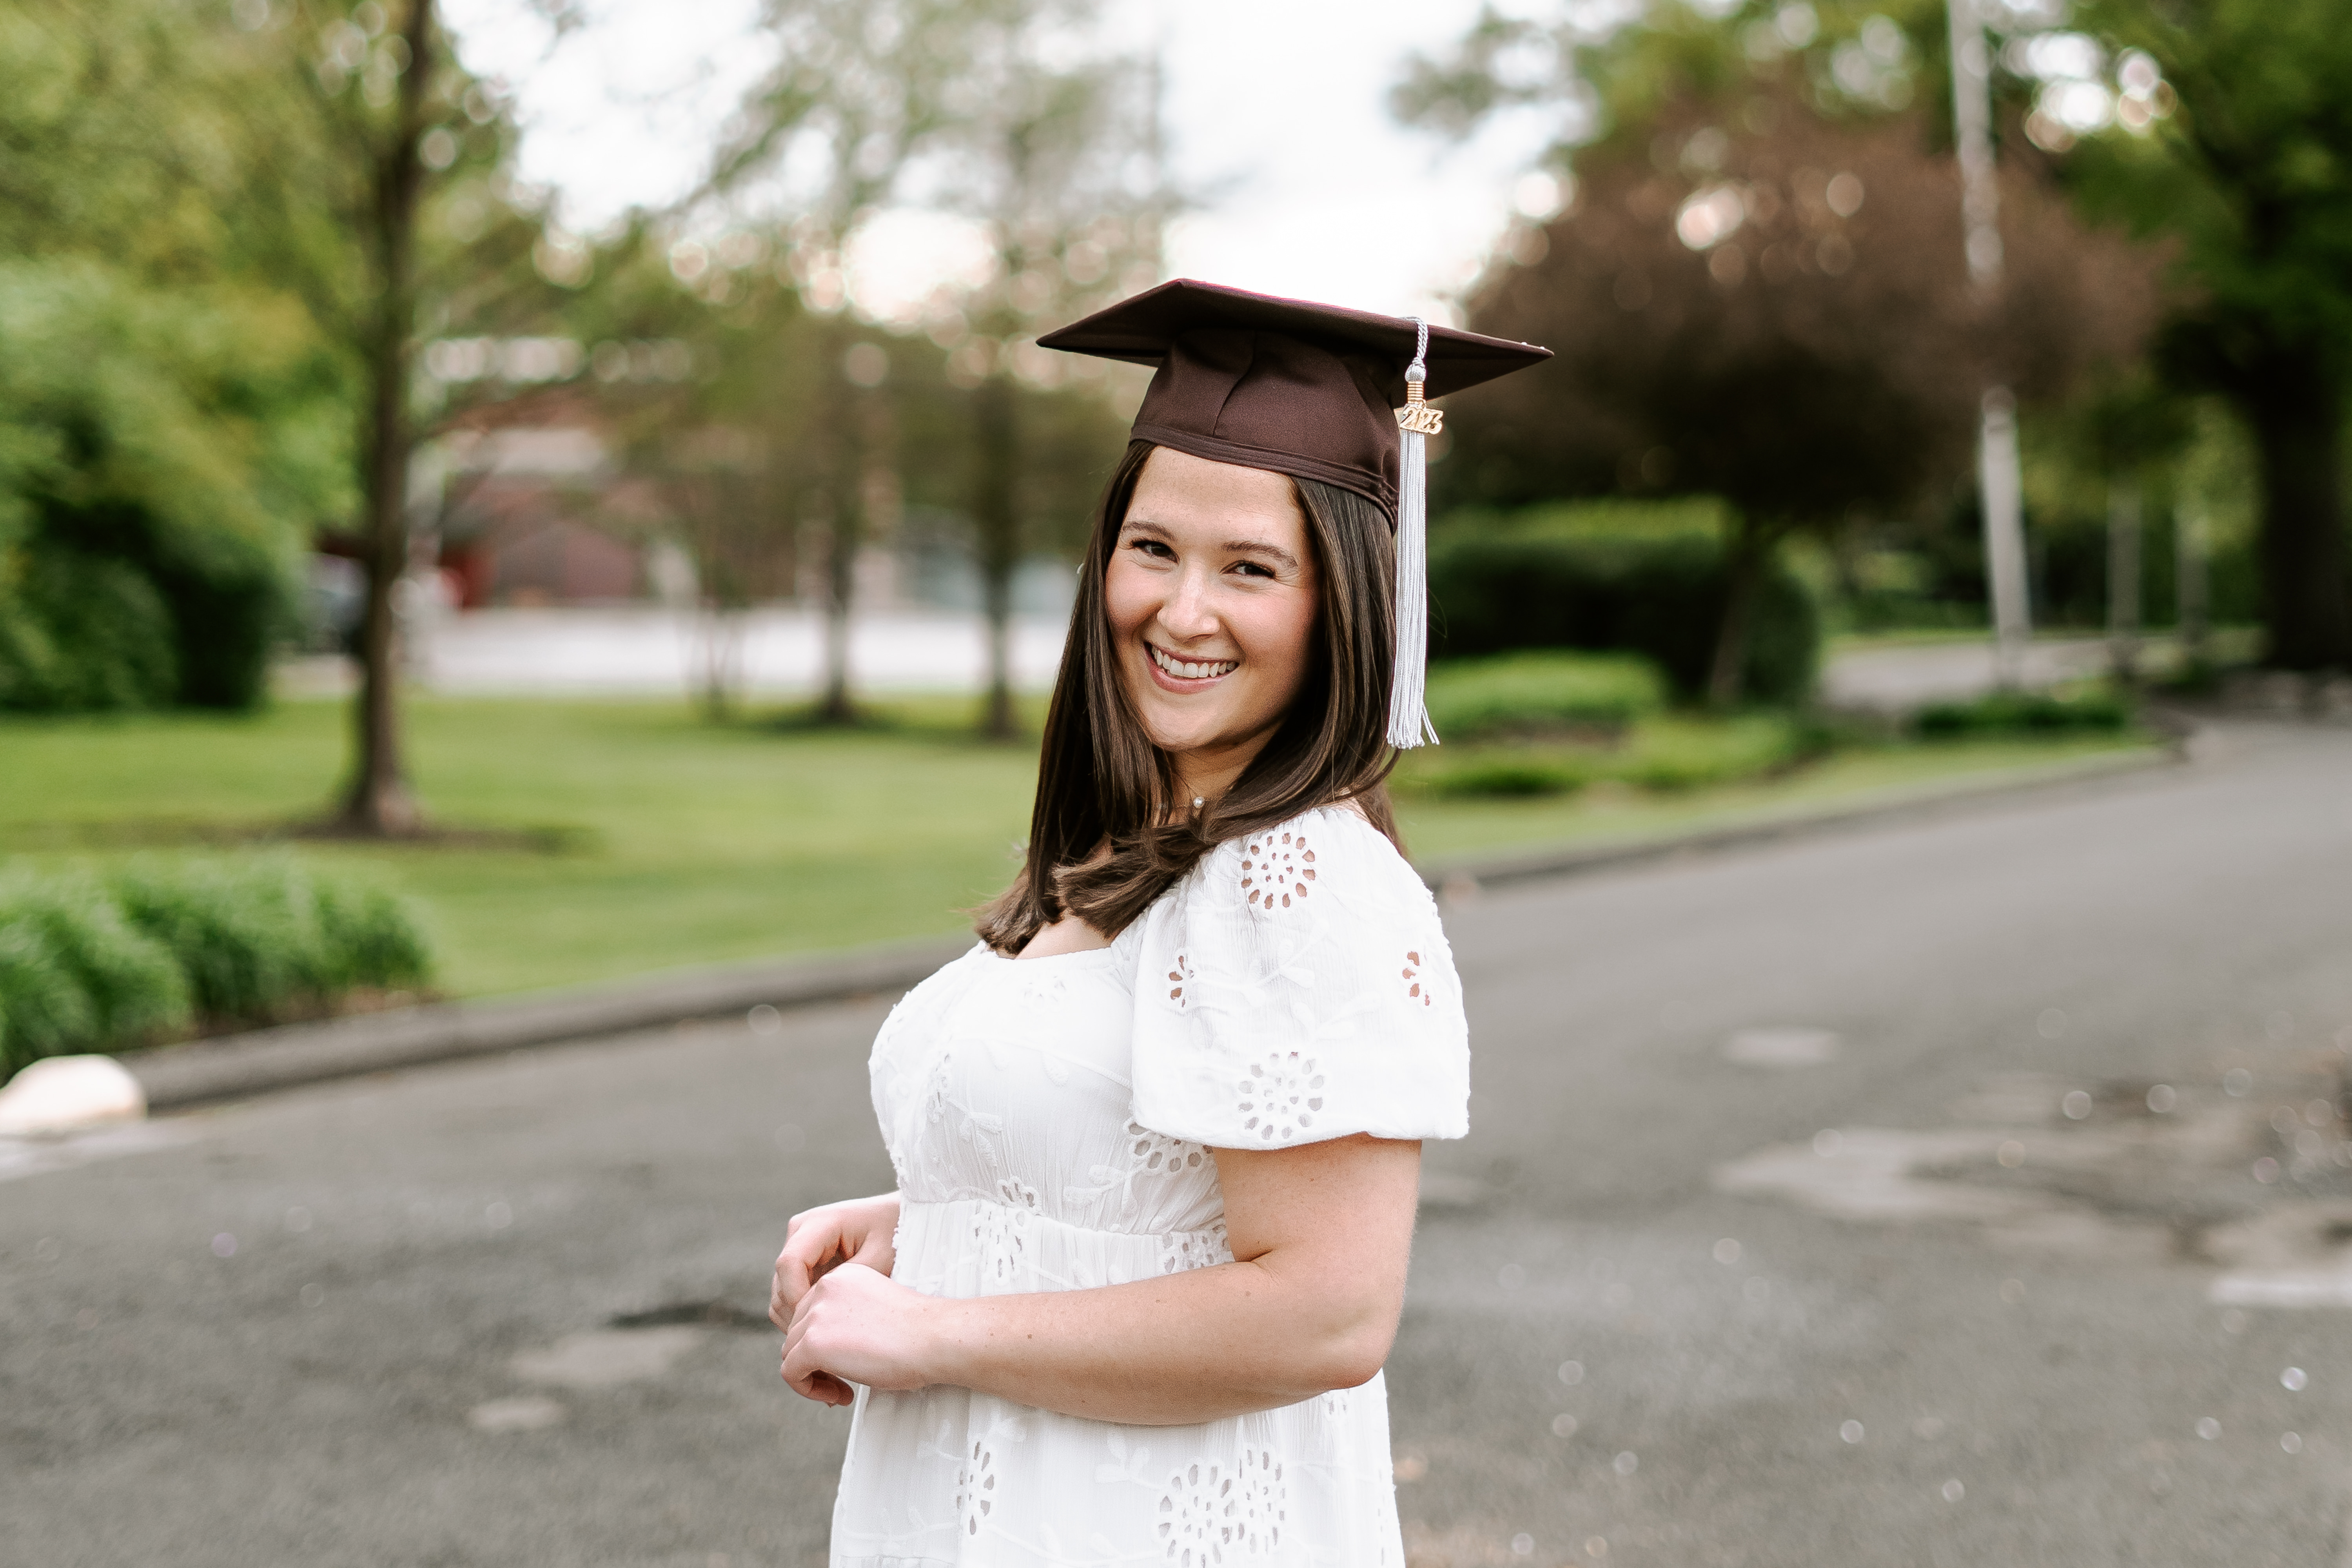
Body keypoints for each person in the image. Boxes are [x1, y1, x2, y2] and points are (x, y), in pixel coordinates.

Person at [771, 279, 1548, 1564]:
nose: (1184, 613)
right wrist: (932, 1225)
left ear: (1342, 600)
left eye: (1252, 568)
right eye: (1154, 550)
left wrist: (935, 1332)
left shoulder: (1298, 875)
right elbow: (1149, 1191)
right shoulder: (1141, 848)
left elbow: (1326, 1314)